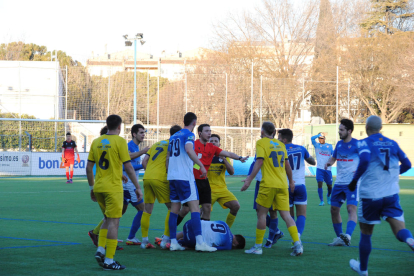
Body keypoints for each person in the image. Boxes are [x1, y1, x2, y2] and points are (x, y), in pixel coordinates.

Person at [348, 116, 413, 276]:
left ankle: (363, 269)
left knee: (366, 232)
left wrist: (354, 180)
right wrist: (392, 174)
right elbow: (408, 164)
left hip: (371, 195)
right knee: (400, 231)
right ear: (381, 127)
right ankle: (411, 241)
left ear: (367, 126)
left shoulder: (363, 142)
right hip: (390, 195)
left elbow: (364, 160)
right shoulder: (393, 143)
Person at [86, 115, 143, 270]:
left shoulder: (97, 141)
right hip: (113, 189)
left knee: (107, 218)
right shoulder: (120, 142)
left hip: (99, 187)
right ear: (119, 127)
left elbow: (89, 168)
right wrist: (137, 187)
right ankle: (109, 260)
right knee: (114, 222)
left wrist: (92, 188)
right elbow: (129, 167)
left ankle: (100, 249)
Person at [241, 122, 303, 256]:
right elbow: (287, 165)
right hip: (282, 184)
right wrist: (291, 181)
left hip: (268, 184)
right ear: (274, 133)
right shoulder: (281, 144)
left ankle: (258, 247)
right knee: (286, 215)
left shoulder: (261, 143)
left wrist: (249, 179)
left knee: (262, 214)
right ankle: (297, 244)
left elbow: (259, 161)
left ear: (262, 132)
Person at [166, 112, 217, 252]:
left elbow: (168, 157)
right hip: (185, 177)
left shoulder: (174, 136)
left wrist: (170, 173)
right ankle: (200, 242)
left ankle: (173, 242)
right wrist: (200, 165)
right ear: (194, 123)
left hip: (173, 177)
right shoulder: (189, 135)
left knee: (174, 210)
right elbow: (189, 150)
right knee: (195, 208)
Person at [140, 125, 182, 250]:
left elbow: (144, 162)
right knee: (172, 207)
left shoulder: (156, 144)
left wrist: (151, 174)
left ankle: (144, 241)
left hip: (147, 178)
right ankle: (165, 240)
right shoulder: (174, 146)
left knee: (147, 210)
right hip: (161, 178)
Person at [325, 119, 359, 246]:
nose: (339, 132)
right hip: (339, 182)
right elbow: (334, 157)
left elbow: (366, 160)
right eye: (339, 129)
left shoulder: (357, 144)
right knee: (334, 210)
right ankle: (340, 238)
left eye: (341, 130)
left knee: (351, 209)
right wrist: (329, 162)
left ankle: (348, 236)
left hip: (352, 183)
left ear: (349, 131)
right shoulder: (339, 144)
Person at [278, 129, 315, 240]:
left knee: (289, 216)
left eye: (279, 138)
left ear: (284, 139)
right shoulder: (301, 149)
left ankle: (295, 237)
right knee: (302, 214)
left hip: (286, 186)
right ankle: (297, 236)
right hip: (300, 185)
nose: (277, 140)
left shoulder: (279, 150)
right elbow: (312, 162)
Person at [123, 124, 150, 246]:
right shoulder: (129, 147)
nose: (143, 134)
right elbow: (126, 166)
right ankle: (131, 237)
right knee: (143, 209)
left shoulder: (135, 147)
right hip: (128, 185)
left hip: (129, 184)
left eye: (144, 132)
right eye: (141, 132)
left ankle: (101, 234)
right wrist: (142, 164)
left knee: (118, 212)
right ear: (134, 134)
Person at [207, 134, 240, 228]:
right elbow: (195, 167)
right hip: (208, 189)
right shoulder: (205, 155)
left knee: (236, 206)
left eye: (215, 141)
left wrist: (224, 159)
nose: (213, 142)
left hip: (222, 189)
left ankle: (227, 229)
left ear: (219, 144)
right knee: (205, 212)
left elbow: (232, 172)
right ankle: (203, 233)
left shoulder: (224, 156)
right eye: (211, 141)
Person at [173, 220, 246, 250]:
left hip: (189, 223)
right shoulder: (228, 245)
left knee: (188, 232)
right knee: (198, 244)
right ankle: (181, 244)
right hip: (191, 240)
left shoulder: (224, 224)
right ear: (236, 243)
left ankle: (170, 238)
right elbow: (213, 248)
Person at [311, 132, 333, 206]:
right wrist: (318, 134)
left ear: (325, 138)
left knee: (330, 186)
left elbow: (333, 155)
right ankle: (321, 201)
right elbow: (312, 138)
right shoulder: (316, 145)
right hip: (319, 169)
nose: (321, 139)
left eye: (322, 138)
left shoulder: (329, 146)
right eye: (319, 138)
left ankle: (328, 196)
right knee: (319, 184)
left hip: (328, 169)